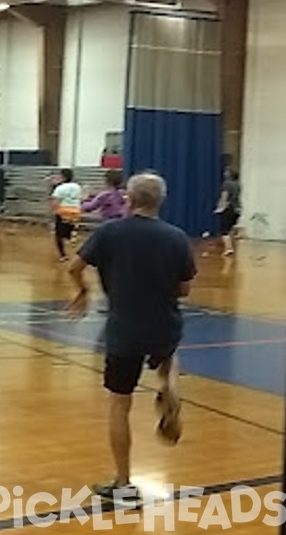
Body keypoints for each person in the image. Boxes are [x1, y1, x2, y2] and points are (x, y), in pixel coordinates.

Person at [67, 172, 195, 503]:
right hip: (165, 326)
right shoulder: (177, 237)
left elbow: (73, 267)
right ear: (160, 201)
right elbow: (184, 288)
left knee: (119, 405)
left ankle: (123, 483)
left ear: (130, 199)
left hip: (125, 331)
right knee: (167, 355)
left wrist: (83, 291)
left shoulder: (110, 232)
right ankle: (169, 384)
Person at [50, 169, 82, 261]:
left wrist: (53, 211)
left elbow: (55, 202)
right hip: (75, 211)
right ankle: (75, 251)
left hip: (63, 212)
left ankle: (63, 255)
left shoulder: (60, 188)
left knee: (58, 235)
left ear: (63, 177)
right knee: (71, 232)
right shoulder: (77, 186)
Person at [215, 169, 242, 256]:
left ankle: (228, 248)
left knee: (224, 230)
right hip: (237, 208)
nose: (224, 173)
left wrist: (220, 207)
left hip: (229, 208)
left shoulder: (226, 184)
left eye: (226, 172)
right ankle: (232, 243)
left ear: (229, 174)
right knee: (230, 227)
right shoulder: (238, 184)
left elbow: (224, 196)